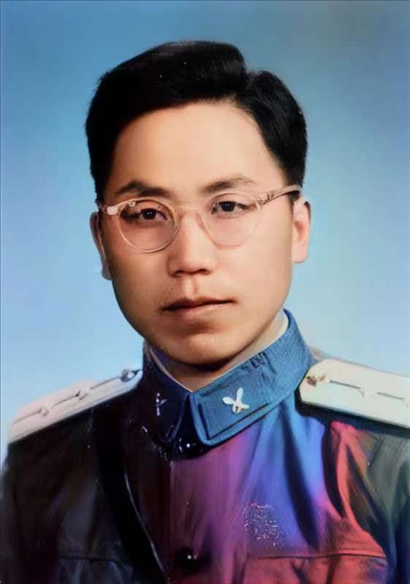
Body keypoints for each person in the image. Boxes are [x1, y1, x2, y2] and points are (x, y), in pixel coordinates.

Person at [1, 40, 409, 584]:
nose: (190, 258)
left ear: (297, 228)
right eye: (147, 213)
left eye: (229, 206)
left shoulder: (389, 461)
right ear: (102, 242)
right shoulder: (40, 467)